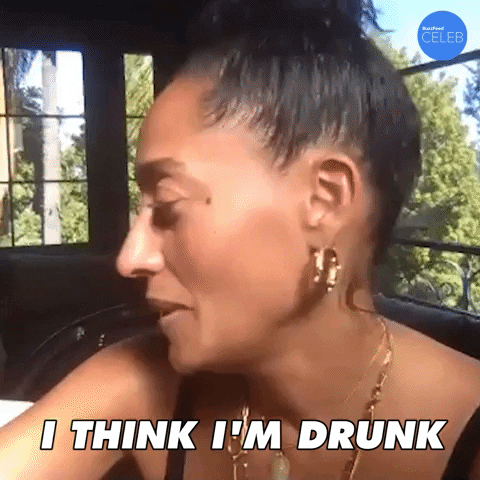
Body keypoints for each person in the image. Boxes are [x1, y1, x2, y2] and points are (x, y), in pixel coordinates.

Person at [1, 2, 480, 479]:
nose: (131, 259)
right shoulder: (141, 386)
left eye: (167, 206)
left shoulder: (466, 431)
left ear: (325, 199)